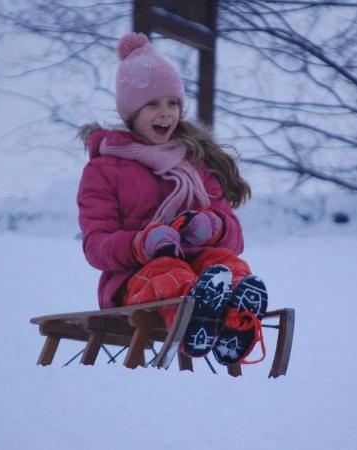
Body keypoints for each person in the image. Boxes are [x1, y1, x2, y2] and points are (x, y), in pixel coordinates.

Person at [77, 32, 267, 366]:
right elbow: (96, 246)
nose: (166, 113)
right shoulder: (105, 169)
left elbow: (235, 238)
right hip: (132, 283)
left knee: (225, 263)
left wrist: (213, 225)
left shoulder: (194, 162)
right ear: (130, 113)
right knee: (169, 270)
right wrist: (141, 243)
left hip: (199, 270)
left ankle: (235, 322)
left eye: (173, 103)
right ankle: (197, 324)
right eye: (152, 104)